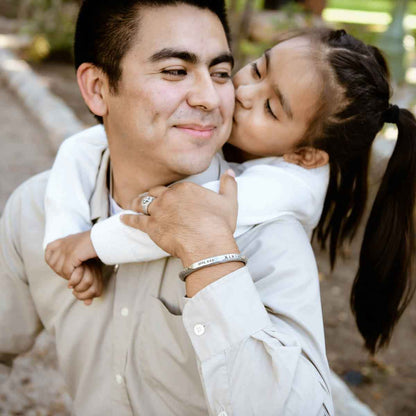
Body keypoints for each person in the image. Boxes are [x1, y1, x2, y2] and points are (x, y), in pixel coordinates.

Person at [0, 1, 334, 415]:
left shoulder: (267, 238)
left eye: (221, 73)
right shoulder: (36, 208)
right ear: (98, 89)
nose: (211, 98)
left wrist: (211, 256)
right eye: (176, 71)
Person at [46, 26, 416, 358]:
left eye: (270, 107)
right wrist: (63, 232)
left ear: (304, 155)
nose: (244, 92)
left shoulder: (288, 190)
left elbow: (183, 220)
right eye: (257, 69)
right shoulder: (243, 131)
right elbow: (86, 144)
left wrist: (90, 243)